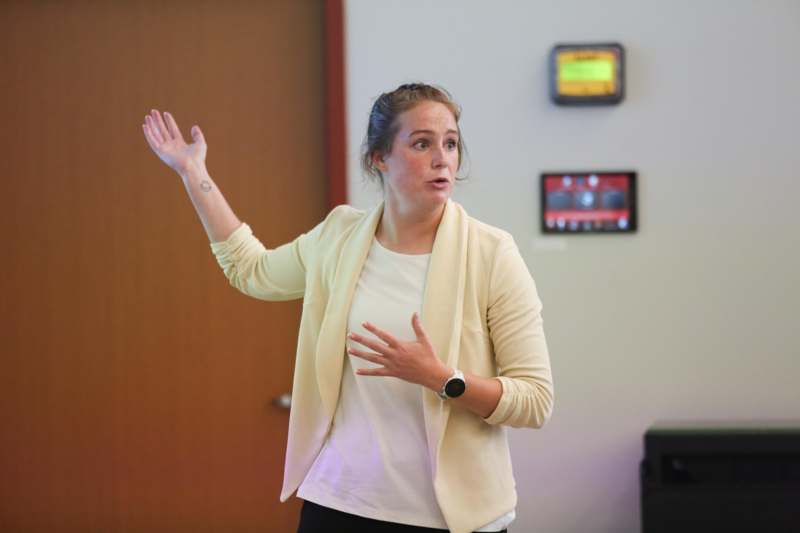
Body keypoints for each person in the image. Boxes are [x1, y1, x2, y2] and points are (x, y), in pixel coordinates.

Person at [142, 83, 554, 533]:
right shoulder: (339, 235)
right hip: (339, 504)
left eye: (451, 143)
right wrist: (193, 172)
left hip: (453, 517)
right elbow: (250, 269)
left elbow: (534, 400)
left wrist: (442, 379)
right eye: (422, 143)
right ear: (380, 157)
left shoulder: (492, 252)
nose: (443, 159)